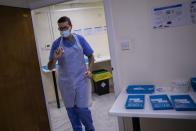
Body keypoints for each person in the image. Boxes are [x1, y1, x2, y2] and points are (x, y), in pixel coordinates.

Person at [48, 16, 95, 131]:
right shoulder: (56, 44)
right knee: (71, 111)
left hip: (81, 80)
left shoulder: (80, 39)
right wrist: (54, 58)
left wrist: (90, 70)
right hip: (66, 82)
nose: (63, 30)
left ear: (71, 27)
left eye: (65, 27)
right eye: (60, 29)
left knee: (82, 109)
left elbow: (91, 56)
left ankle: (90, 129)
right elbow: (50, 67)